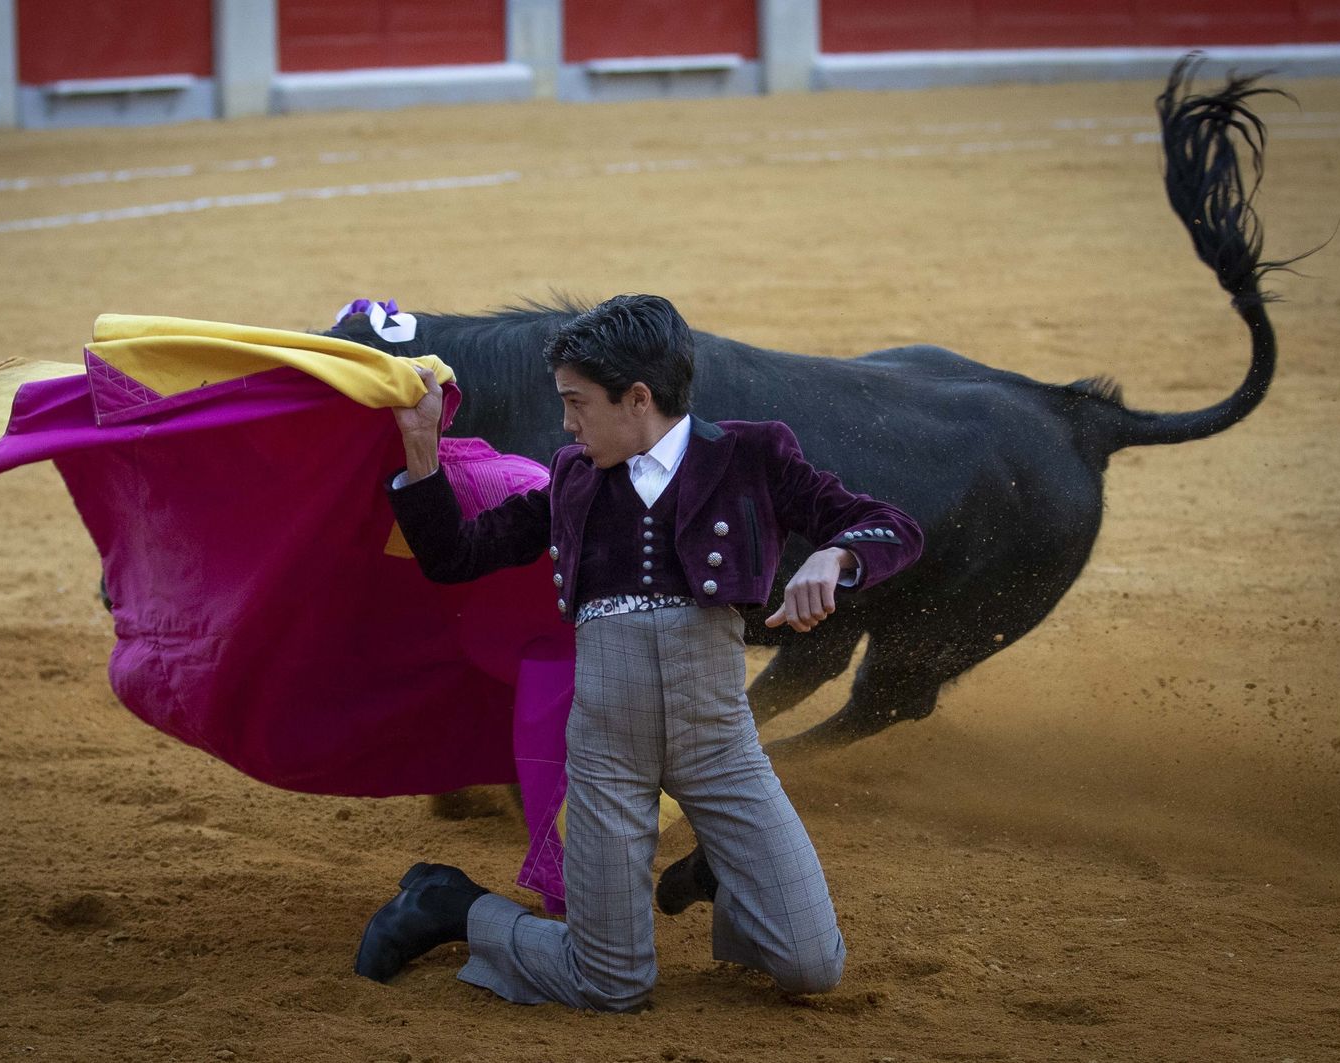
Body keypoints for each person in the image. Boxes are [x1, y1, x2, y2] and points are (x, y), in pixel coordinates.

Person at [355, 294, 923, 1010]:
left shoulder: (751, 455)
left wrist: (836, 557)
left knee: (813, 967)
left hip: (722, 753)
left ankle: (725, 871)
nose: (566, 422)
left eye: (577, 402)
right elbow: (453, 555)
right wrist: (420, 446)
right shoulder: (571, 478)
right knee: (611, 984)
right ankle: (453, 903)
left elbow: (890, 523)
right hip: (606, 760)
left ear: (639, 398)